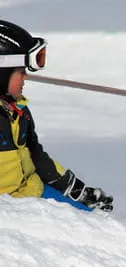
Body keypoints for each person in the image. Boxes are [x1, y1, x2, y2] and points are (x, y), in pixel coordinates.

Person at [0, 20, 113, 212]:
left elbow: (36, 155)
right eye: (21, 72)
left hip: (32, 192)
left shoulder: (18, 111)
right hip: (11, 209)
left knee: (94, 219)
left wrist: (77, 190)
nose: (26, 77)